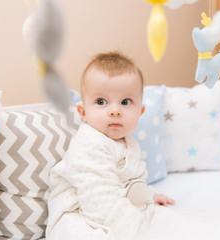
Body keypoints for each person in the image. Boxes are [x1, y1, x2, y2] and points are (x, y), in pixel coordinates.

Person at [47, 51, 179, 240]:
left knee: (169, 222)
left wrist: (148, 197)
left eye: (126, 102)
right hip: (78, 214)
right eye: (101, 102)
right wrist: (138, 230)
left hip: (114, 212)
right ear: (83, 112)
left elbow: (133, 181)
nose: (115, 111)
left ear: (140, 112)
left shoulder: (130, 144)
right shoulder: (89, 142)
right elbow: (100, 196)